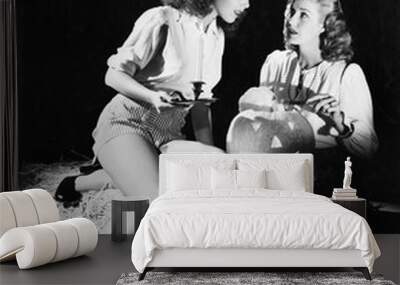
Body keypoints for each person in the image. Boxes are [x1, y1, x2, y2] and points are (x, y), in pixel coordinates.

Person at [55, 0, 250, 207]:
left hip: (168, 134)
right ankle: (85, 181)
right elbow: (112, 75)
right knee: (159, 201)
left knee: (220, 165)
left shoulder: (216, 36)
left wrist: (208, 157)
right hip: (128, 122)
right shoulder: (161, 19)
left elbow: (201, 106)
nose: (246, 4)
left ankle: (108, 175)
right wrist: (152, 96)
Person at [227, 0, 378, 160]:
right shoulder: (275, 63)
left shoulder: (346, 74)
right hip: (274, 165)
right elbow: (260, 127)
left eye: (303, 15)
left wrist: (341, 125)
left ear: (325, 24)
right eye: (291, 12)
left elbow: (368, 148)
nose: (291, 21)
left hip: (321, 171)